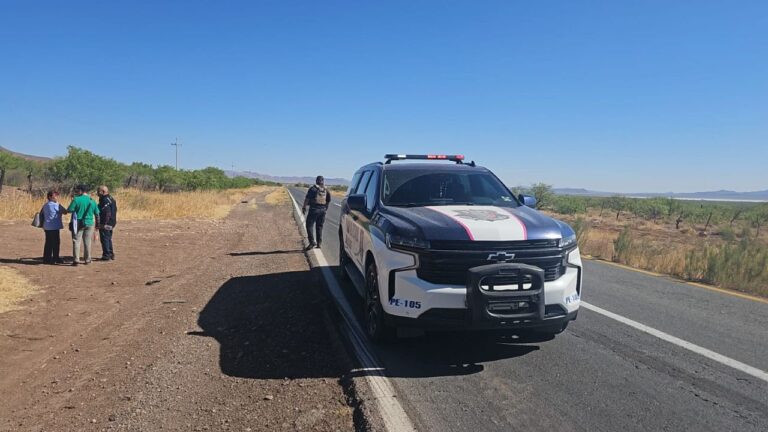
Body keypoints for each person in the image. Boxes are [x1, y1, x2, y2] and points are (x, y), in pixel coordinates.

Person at [67, 184, 100, 266]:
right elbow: (97, 213)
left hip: (77, 223)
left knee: (76, 241)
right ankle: (87, 259)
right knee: (87, 242)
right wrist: (97, 226)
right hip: (89, 223)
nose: (76, 192)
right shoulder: (92, 200)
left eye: (77, 190)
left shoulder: (76, 199)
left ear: (81, 190)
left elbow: (69, 210)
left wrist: (73, 202)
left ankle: (76, 260)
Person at [302, 176, 331, 248]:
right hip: (323, 210)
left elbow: (307, 199)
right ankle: (319, 243)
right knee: (319, 227)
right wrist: (325, 209)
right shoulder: (326, 190)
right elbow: (328, 200)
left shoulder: (313, 189)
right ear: (323, 181)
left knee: (309, 225)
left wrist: (304, 207)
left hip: (314, 209)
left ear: (316, 181)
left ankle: (312, 242)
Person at [41, 190, 67, 264]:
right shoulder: (56, 205)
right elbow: (65, 211)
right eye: (55, 196)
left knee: (48, 243)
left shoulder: (45, 205)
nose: (56, 197)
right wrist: (58, 204)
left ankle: (46, 259)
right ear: (50, 197)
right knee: (55, 243)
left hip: (47, 226)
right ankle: (55, 258)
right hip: (54, 227)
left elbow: (41, 213)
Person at [97, 185, 117, 261]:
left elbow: (107, 213)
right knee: (108, 238)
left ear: (103, 191)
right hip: (112, 222)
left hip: (106, 222)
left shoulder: (105, 200)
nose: (97, 193)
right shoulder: (111, 198)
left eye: (98, 191)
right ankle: (111, 254)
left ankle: (106, 255)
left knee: (105, 238)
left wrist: (103, 224)